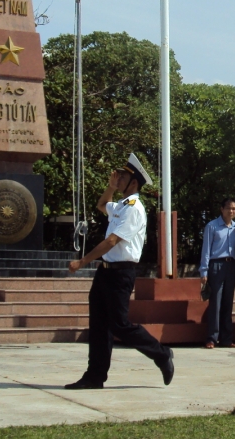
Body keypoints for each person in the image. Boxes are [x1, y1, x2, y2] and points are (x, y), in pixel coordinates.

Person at [65, 152, 173, 389]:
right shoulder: (122, 205)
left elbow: (112, 240)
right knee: (99, 326)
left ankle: (161, 354)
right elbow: (102, 204)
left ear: (134, 183)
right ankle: (94, 377)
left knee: (120, 325)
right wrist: (111, 187)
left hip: (121, 272)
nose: (119, 178)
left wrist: (82, 262)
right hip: (105, 271)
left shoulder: (134, 208)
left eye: (123, 177)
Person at [199, 197, 235, 349]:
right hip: (216, 266)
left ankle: (226, 339)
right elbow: (206, 250)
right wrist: (204, 271)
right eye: (229, 208)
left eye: (234, 209)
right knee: (215, 303)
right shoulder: (212, 226)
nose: (231, 211)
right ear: (222, 209)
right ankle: (212, 338)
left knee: (227, 304)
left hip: (231, 267)